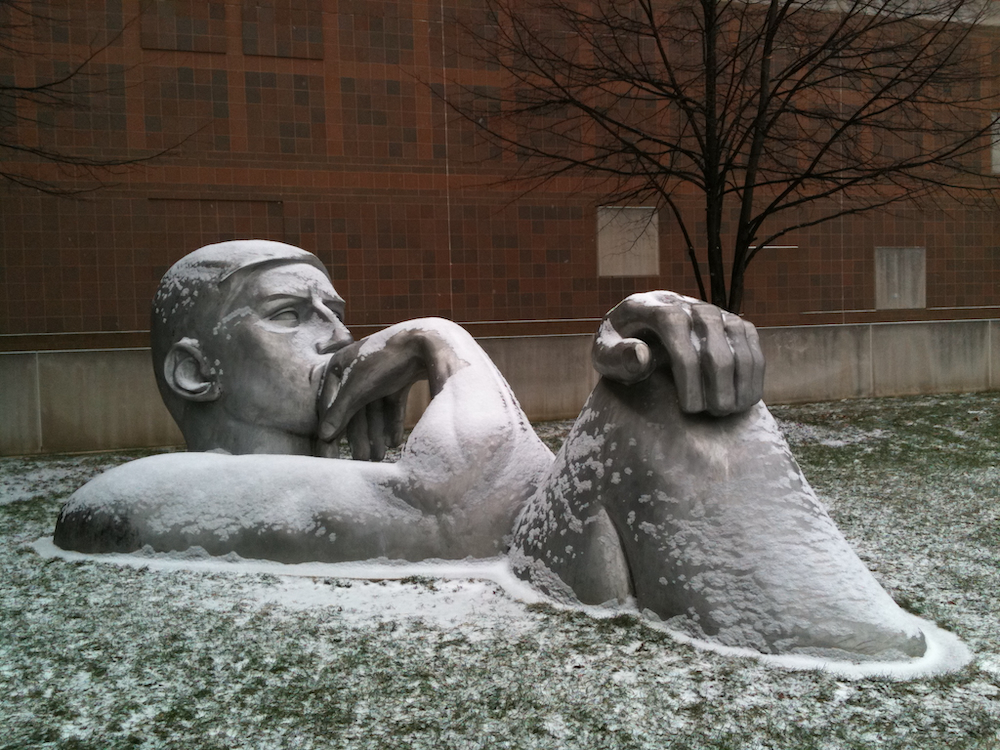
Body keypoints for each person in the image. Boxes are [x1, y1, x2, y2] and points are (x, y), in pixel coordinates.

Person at [54, 240, 929, 659]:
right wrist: (441, 340)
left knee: (653, 380)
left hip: (553, 546)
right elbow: (452, 505)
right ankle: (849, 639)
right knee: (648, 389)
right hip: (526, 541)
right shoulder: (143, 490)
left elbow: (490, 493)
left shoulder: (352, 467)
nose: (337, 334)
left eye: (336, 309)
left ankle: (848, 636)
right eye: (290, 314)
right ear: (195, 372)